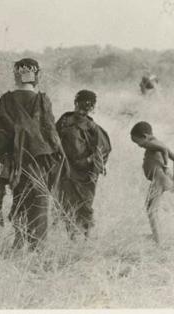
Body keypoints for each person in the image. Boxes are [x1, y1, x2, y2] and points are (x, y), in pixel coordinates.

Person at [0, 58, 66, 250]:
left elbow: (0, 135)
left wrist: (7, 158)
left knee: (19, 198)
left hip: (16, 162)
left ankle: (20, 242)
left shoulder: (6, 100)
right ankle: (37, 248)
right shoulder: (42, 100)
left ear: (16, 74)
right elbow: (51, 133)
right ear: (37, 75)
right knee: (39, 200)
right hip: (40, 162)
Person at [56, 90, 111, 239]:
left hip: (86, 174)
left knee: (85, 205)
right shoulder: (64, 121)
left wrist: (88, 162)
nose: (82, 111)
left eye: (86, 108)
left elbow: (103, 149)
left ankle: (87, 237)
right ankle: (72, 237)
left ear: (92, 108)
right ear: (75, 103)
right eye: (80, 106)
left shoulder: (93, 128)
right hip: (66, 171)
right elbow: (53, 142)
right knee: (66, 204)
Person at [130, 121, 174, 244]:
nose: (138, 146)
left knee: (151, 210)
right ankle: (157, 235)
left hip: (159, 180)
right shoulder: (157, 142)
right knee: (149, 207)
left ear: (145, 137)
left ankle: (158, 241)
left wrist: (166, 166)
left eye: (137, 142)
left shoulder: (151, 144)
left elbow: (163, 150)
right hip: (160, 179)